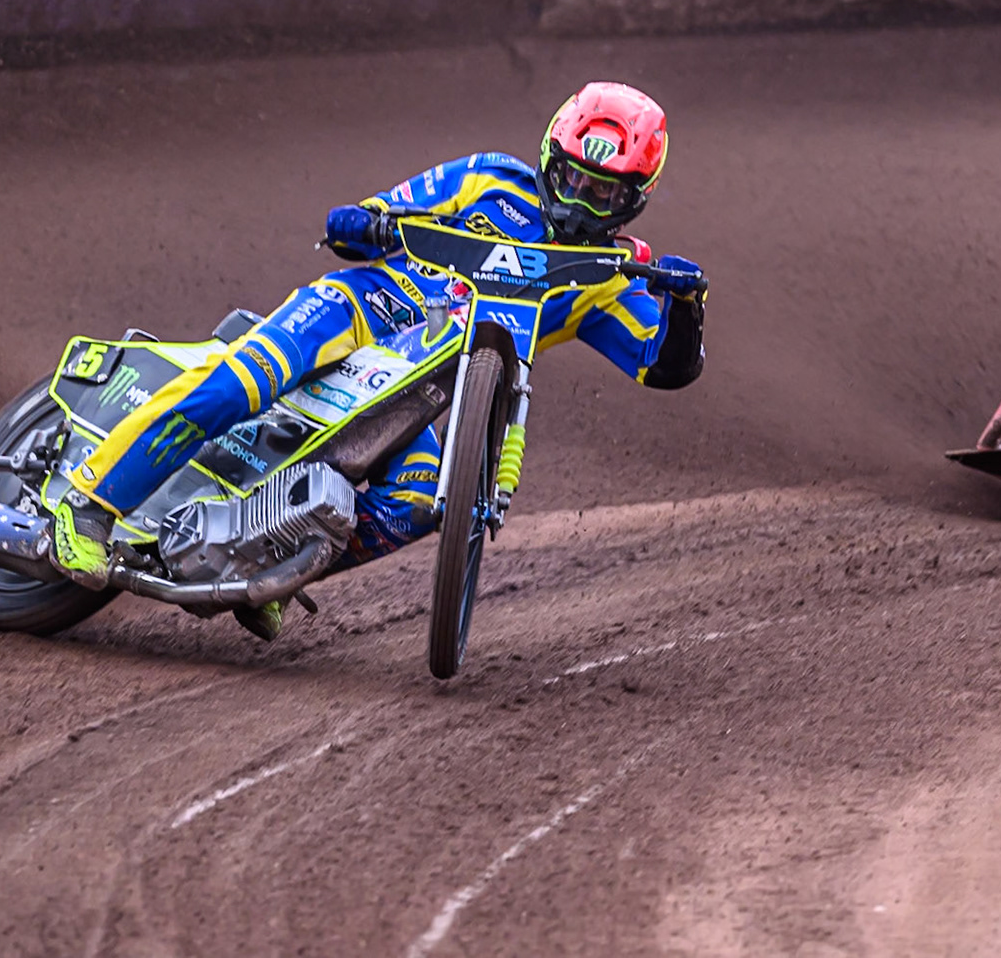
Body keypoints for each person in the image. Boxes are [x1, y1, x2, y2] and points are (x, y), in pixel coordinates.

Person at [47, 82, 707, 638]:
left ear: (634, 199)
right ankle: (87, 507)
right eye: (571, 178)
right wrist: (370, 223)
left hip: (414, 392)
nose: (579, 200)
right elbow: (362, 217)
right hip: (353, 316)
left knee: (418, 500)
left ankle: (278, 566)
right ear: (547, 158)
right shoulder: (487, 179)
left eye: (603, 194)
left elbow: (663, 367)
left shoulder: (608, 276)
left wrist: (684, 306)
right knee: (235, 389)